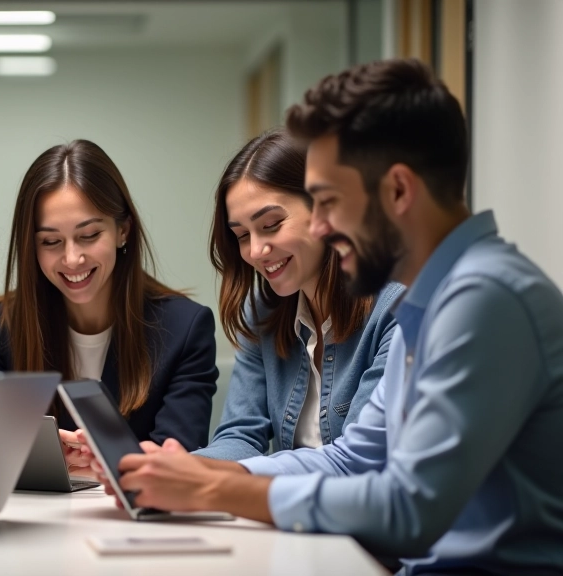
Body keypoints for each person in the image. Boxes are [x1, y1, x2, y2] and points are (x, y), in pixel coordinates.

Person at [103, 59, 563, 574]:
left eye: (328, 201)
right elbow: (353, 459)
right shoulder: (434, 299)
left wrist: (215, 487)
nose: (319, 226)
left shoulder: (485, 298)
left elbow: (409, 509)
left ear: (397, 191)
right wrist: (192, 473)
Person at [0, 139, 218, 476]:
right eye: (50, 241)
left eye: (88, 235)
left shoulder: (186, 327)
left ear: (122, 231)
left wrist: (99, 462)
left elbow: (179, 460)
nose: (72, 258)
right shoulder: (5, 325)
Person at [194, 128, 401, 461]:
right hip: (293, 510)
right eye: (242, 235)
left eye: (272, 224)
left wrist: (231, 477)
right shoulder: (261, 312)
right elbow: (240, 436)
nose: (257, 250)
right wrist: (174, 468)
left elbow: (357, 461)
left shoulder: (398, 307)